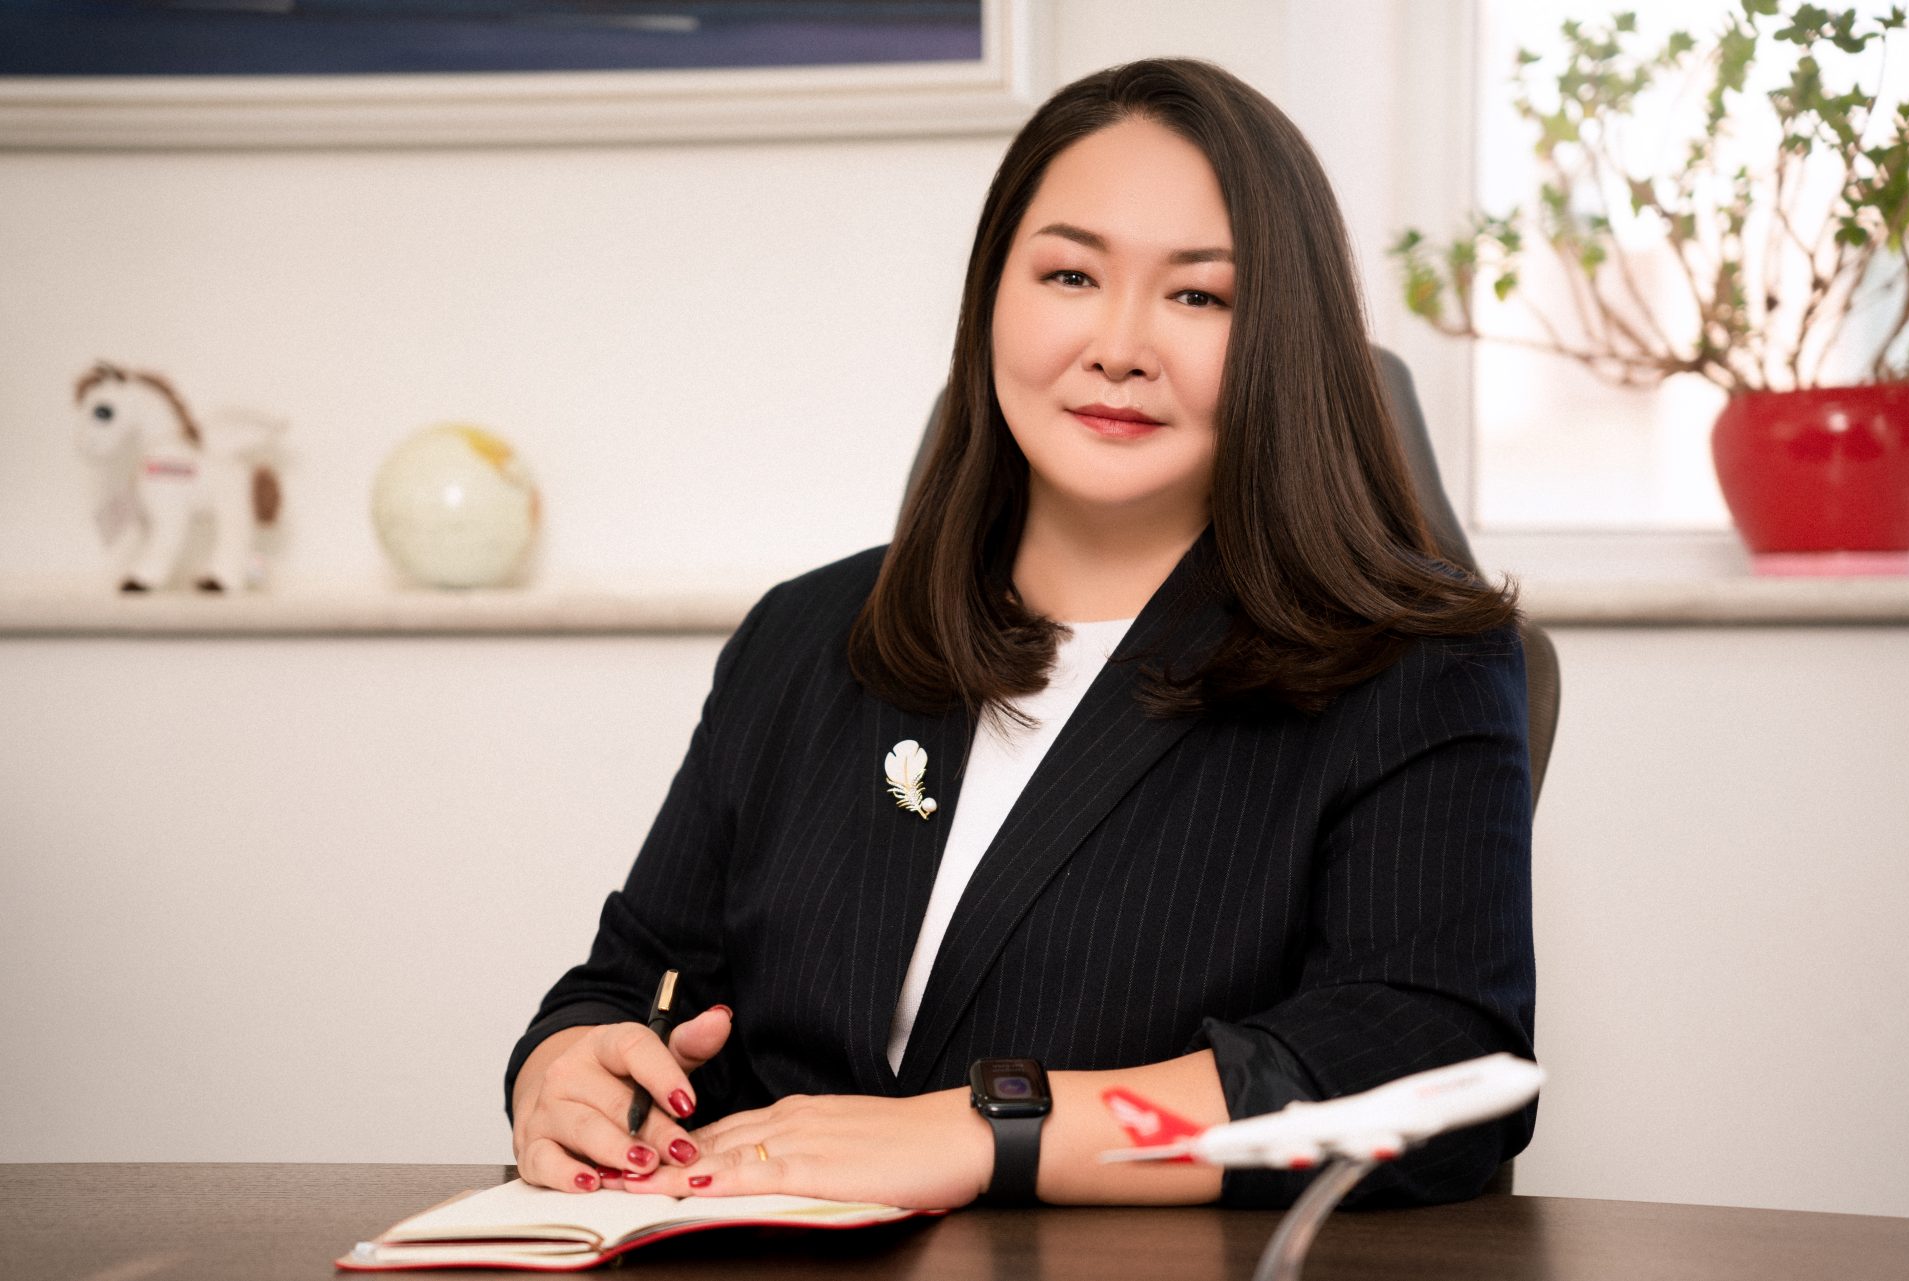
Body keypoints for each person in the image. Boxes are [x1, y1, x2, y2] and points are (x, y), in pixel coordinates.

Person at [505, 57, 1535, 1211]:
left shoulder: (1414, 665)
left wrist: (989, 1129)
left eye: (1200, 296)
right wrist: (568, 1066)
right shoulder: (805, 637)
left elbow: (1436, 1063)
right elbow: (636, 978)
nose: (1119, 346)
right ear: (993, 296)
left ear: (1280, 344)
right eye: (1068, 275)